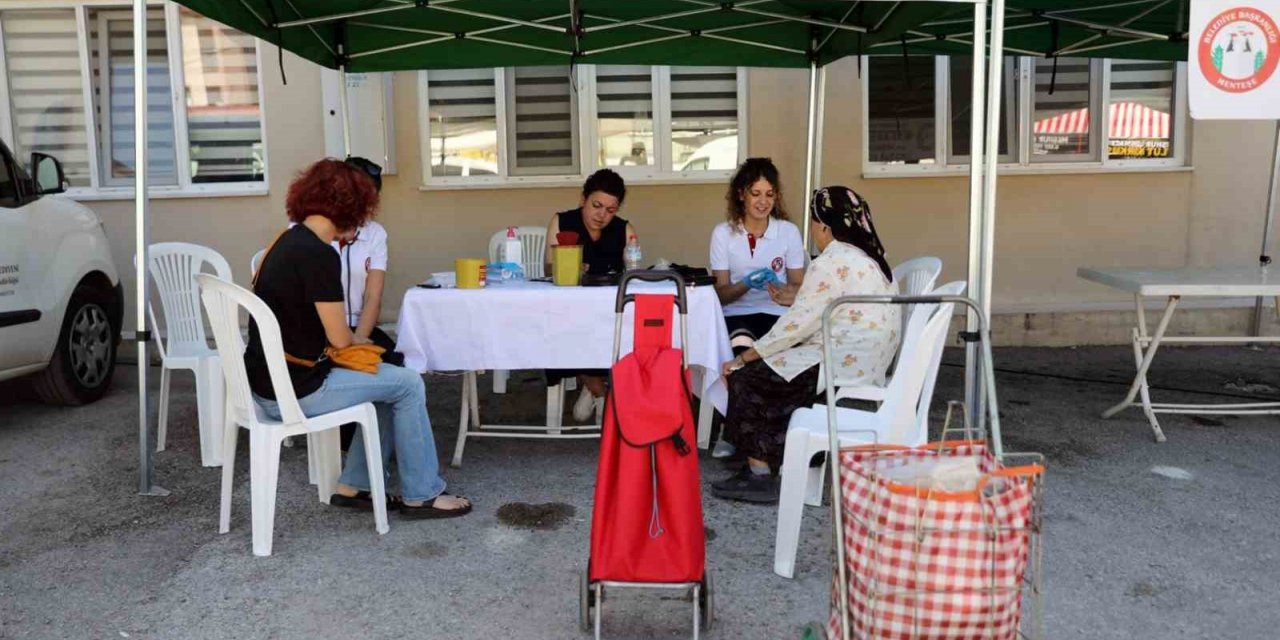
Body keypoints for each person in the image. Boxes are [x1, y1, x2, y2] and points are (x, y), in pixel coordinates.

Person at [246, 158, 471, 519]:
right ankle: (422, 494)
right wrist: (362, 344)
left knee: (388, 381)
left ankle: (355, 485)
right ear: (351, 209)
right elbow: (339, 338)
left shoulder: (285, 242)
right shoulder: (319, 255)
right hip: (295, 390)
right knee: (408, 384)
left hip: (266, 382)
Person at [711, 186, 901, 504]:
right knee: (771, 370)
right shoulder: (868, 257)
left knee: (747, 377)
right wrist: (793, 298)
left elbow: (796, 325)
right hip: (867, 359)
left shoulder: (828, 262)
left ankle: (760, 473)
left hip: (838, 360)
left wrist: (745, 356)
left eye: (813, 223)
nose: (812, 230)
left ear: (824, 226)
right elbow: (827, 303)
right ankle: (775, 453)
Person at [708, 158, 806, 458]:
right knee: (742, 350)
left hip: (776, 314)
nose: (763, 202)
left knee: (779, 354)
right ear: (741, 194)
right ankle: (733, 430)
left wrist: (783, 293)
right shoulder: (723, 234)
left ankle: (770, 433)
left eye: (769, 194)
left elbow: (801, 289)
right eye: (755, 193)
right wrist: (747, 284)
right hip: (736, 314)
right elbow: (721, 295)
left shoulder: (787, 232)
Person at [544, 169, 637, 422]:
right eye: (596, 205)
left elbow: (633, 271)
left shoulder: (623, 229)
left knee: (619, 331)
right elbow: (548, 268)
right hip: (567, 309)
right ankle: (598, 387)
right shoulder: (563, 221)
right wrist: (568, 266)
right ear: (583, 199)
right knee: (559, 330)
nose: (602, 215)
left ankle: (592, 384)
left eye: (610, 210)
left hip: (608, 311)